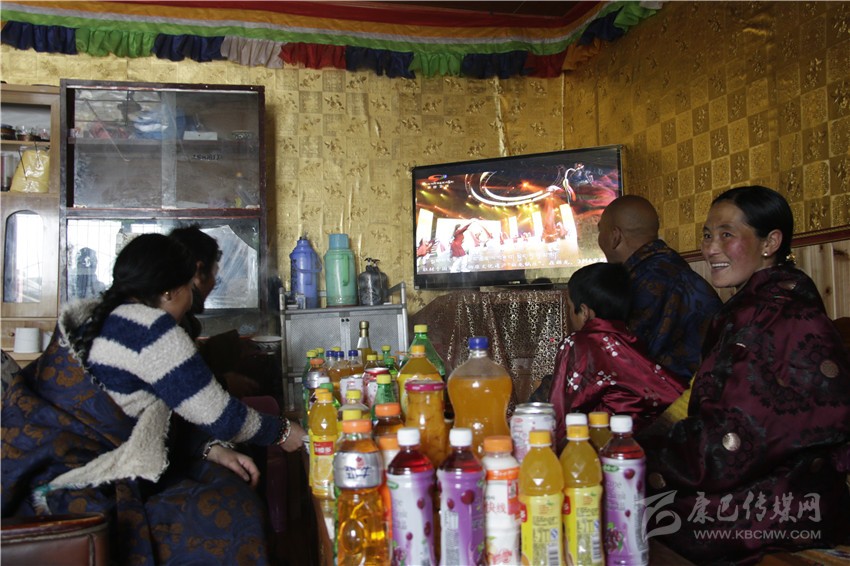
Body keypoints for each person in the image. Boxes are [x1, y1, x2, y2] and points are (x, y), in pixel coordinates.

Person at [1, 233, 305, 564]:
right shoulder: (152, 330)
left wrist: (209, 448)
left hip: (41, 470)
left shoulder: (98, 315)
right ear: (170, 291)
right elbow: (223, 418)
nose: (190, 299)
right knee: (235, 510)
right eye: (188, 287)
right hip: (84, 484)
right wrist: (285, 432)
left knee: (224, 483)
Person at [641, 186, 850, 563]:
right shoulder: (761, 305)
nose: (711, 249)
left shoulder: (770, 316)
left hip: (791, 499)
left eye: (727, 235)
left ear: (770, 242)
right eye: (708, 235)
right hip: (777, 480)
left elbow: (735, 438)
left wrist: (643, 456)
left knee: (634, 506)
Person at [548, 262, 684, 450]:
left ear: (585, 312)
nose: (570, 315)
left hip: (601, 450)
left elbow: (561, 414)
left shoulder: (579, 344)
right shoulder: (632, 342)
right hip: (644, 448)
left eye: (570, 307)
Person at [597, 194, 722, 386]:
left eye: (600, 231)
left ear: (615, 236)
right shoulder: (670, 269)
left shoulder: (641, 285)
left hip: (679, 400)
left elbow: (619, 366)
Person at [169, 225, 260, 398]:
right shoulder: (168, 326)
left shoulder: (180, 322)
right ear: (198, 272)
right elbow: (183, 388)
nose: (214, 283)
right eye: (214, 274)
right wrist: (224, 383)